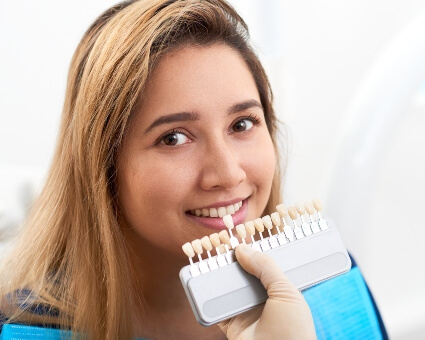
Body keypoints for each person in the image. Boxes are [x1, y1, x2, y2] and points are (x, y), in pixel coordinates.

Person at [0, 0, 316, 339]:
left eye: (241, 124)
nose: (227, 174)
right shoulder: (25, 331)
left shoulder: (335, 289)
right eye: (174, 138)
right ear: (104, 167)